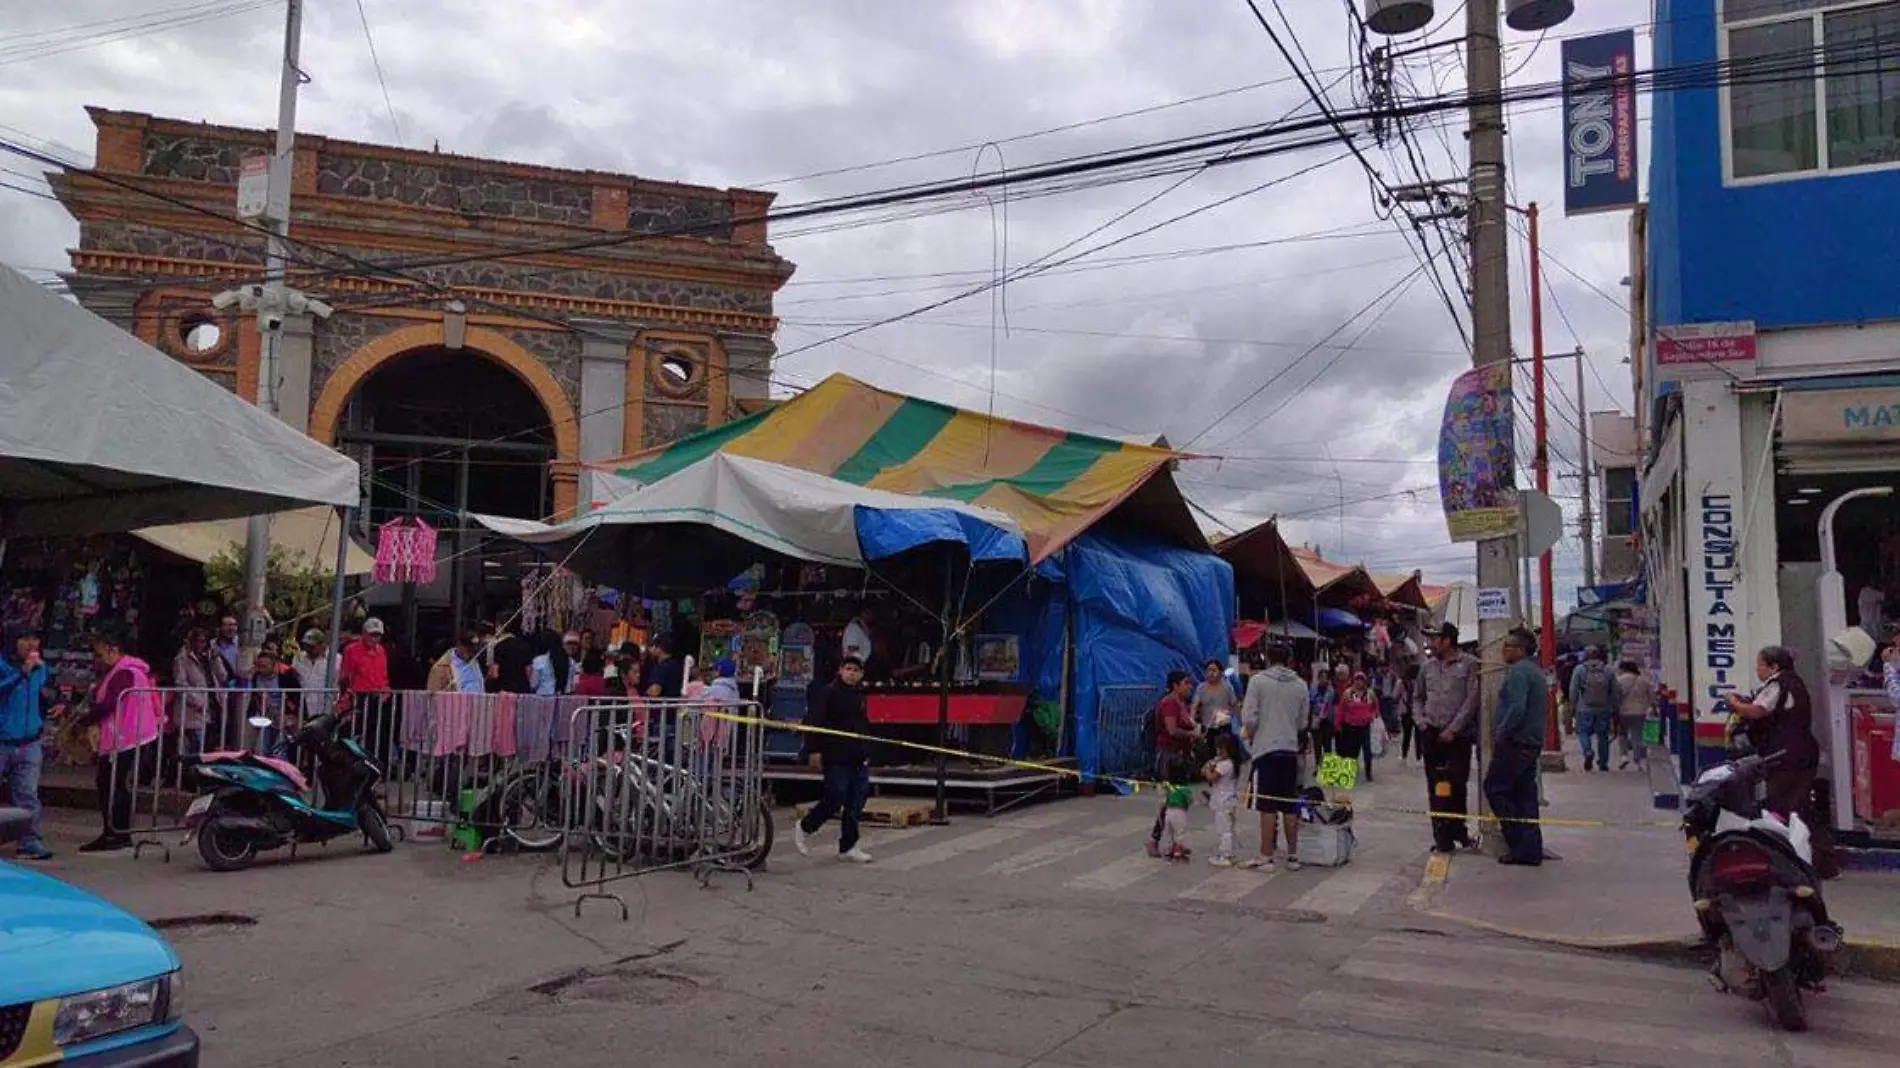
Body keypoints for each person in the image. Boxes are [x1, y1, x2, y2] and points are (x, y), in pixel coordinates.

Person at [75, 630, 165, 853]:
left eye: (99, 654)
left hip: (125, 737)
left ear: (112, 649)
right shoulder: (128, 671)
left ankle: (114, 833)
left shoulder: (124, 673)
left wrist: (84, 721)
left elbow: (108, 704)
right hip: (129, 735)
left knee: (112, 786)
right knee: (114, 784)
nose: (97, 660)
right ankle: (117, 832)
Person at [793, 656, 874, 863]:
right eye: (848, 669)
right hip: (835, 755)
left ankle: (849, 846)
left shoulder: (859, 695)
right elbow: (815, 721)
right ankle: (806, 826)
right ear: (840, 670)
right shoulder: (828, 693)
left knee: (856, 802)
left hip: (857, 756)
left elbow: (863, 726)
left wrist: (866, 750)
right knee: (835, 796)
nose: (852, 673)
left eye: (856, 670)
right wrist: (814, 750)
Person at [1724, 645, 1821, 817]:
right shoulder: (1795, 682)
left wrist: (1734, 703)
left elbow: (1757, 711)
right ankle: (1802, 838)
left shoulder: (1777, 684)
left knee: (1779, 805)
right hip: (1803, 752)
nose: (1757, 669)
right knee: (1795, 806)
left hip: (1785, 756)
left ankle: (1782, 839)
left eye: (1760, 664)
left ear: (1774, 667)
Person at [1485, 628, 1549, 866]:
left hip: (1516, 742)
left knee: (1495, 788)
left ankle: (1519, 841)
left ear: (1520, 650)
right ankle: (1531, 847)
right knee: (1525, 794)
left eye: (1508, 646)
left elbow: (1516, 708)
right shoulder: (1534, 671)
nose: (1503, 651)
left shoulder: (1519, 672)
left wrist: (1502, 732)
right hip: (1530, 742)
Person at [1240, 645, 1306, 872]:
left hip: (1265, 750)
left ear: (1268, 658)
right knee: (1289, 805)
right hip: (1290, 749)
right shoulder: (1301, 685)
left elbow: (1249, 717)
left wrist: (1248, 736)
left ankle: (1265, 856)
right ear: (1289, 659)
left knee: (1266, 805)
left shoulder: (1257, 682)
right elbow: (1302, 723)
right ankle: (1293, 855)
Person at [1415, 622, 1479, 854]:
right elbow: (1417, 697)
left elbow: (1472, 699)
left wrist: (1455, 728)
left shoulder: (1469, 665)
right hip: (1431, 732)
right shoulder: (1427, 667)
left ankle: (1458, 828)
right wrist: (1420, 721)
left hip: (1458, 736)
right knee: (1436, 785)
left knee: (1457, 783)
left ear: (1447, 640)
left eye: (1436, 639)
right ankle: (1441, 835)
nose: (1432, 644)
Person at [0, 634, 55, 859]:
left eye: (35, 641)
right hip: (3, 740)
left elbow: (45, 694)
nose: (32, 646)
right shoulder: (4, 666)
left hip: (29, 740)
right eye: (25, 640)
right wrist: (21, 674)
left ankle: (29, 839)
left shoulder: (41, 669)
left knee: (27, 794)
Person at [1146, 670, 1200, 858]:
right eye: (1185, 683)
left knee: (1180, 801)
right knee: (1170, 800)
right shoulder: (1169, 703)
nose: (1189, 686)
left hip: (1181, 756)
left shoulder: (1182, 704)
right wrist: (1192, 734)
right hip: (1169, 757)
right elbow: (1172, 730)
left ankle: (1177, 841)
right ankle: (1154, 838)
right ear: (1175, 685)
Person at [170, 626, 229, 755]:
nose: (200, 645)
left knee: (210, 746)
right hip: (193, 710)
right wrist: (198, 701)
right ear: (190, 642)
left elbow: (223, 676)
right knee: (195, 748)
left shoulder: (208, 657)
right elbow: (180, 684)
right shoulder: (182, 659)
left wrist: (216, 660)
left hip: (213, 706)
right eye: (197, 641)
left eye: (203, 641)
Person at [1568, 645, 1621, 772]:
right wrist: (1615, 706)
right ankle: (1603, 763)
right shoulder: (1608, 670)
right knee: (1603, 735)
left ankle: (1587, 751)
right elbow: (1615, 690)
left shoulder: (1580, 669)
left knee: (1583, 732)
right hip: (1604, 708)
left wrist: (1572, 706)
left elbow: (1573, 690)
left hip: (1584, 708)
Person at [1203, 731, 1242, 867]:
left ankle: (1225, 854)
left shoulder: (1225, 764)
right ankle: (1231, 853)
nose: (1218, 751)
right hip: (1229, 800)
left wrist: (1208, 768)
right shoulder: (1232, 764)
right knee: (1230, 828)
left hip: (1223, 801)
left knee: (1224, 829)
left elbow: (1211, 776)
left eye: (1221, 749)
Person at [1334, 670, 1380, 783]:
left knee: (1367, 751)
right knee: (1352, 752)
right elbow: (1341, 709)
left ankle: (1368, 774)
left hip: (1365, 727)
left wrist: (1373, 714)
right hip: (1351, 726)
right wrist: (1338, 724)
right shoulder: (1347, 693)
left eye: (1361, 680)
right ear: (1354, 681)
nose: (1359, 682)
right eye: (1357, 679)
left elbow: (1376, 707)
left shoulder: (1370, 693)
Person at [1614, 660, 1654, 771]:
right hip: (1639, 712)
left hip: (1623, 712)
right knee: (1637, 736)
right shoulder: (1643, 681)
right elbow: (1651, 695)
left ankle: (1624, 756)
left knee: (1622, 735)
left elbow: (1614, 696)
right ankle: (1637, 762)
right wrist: (1647, 705)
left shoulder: (1618, 680)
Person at [1191, 658, 1237, 730]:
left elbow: (1234, 705)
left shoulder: (1227, 688)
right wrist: (1192, 720)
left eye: (1214, 670)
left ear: (1220, 672)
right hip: (1207, 727)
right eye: (1209, 670)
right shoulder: (1201, 688)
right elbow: (1194, 706)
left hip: (1224, 727)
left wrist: (1242, 723)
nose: (1211, 673)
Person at [1160, 777, 1194, 862]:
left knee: (1169, 831)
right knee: (1179, 832)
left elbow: (1165, 801)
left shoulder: (1170, 788)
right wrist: (1186, 807)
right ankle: (1177, 851)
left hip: (1169, 810)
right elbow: (1190, 800)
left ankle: (1168, 850)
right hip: (1180, 811)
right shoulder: (1185, 789)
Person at [290, 629, 333, 694]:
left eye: (311, 646)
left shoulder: (334, 659)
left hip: (326, 702)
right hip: (303, 702)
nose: (308, 649)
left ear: (322, 644)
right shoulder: (298, 658)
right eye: (306, 646)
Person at [645, 635, 685, 700]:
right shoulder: (676, 665)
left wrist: (643, 695)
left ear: (659, 648)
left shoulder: (662, 667)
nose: (651, 649)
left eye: (654, 646)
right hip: (672, 706)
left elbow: (655, 691)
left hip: (659, 707)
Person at [213, 615, 242, 680]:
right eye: (228, 625)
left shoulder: (242, 644)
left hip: (241, 686)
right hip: (219, 686)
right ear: (219, 627)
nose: (232, 628)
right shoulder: (212, 645)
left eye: (234, 625)